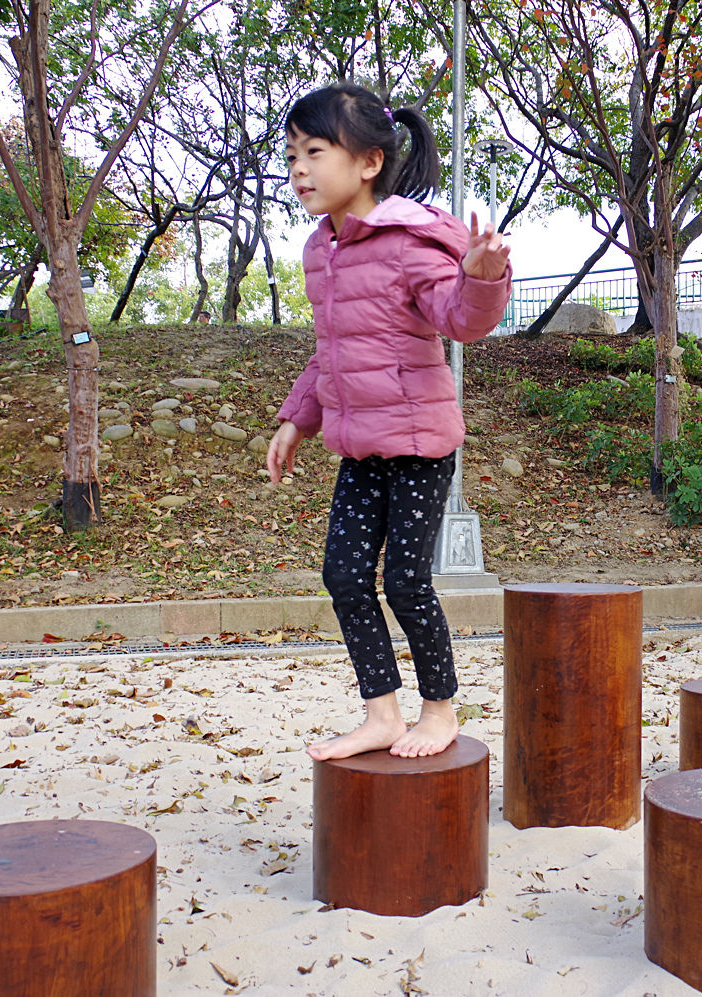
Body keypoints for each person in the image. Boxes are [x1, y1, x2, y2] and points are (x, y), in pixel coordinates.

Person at [266, 82, 511, 761]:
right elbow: (332, 353)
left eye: (315, 152)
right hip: (361, 448)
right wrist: (296, 420)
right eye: (292, 155)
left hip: (421, 447)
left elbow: (460, 319)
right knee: (344, 576)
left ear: (368, 162)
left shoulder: (408, 241)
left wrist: (482, 277)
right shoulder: (322, 250)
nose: (299, 170)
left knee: (405, 581)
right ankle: (381, 713)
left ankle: (440, 709)